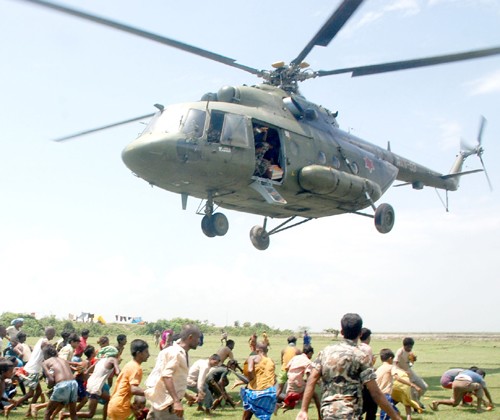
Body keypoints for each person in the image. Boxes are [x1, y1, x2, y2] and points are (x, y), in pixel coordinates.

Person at [295, 313, 402, 420]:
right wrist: (396, 417)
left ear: (341, 332)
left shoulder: (325, 352)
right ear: (360, 333)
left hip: (328, 413)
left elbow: (312, 379)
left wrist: (304, 410)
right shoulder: (361, 356)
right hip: (350, 413)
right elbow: (375, 393)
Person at [144, 324, 201, 419]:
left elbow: (175, 380)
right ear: (190, 337)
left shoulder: (180, 352)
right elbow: (166, 376)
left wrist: (186, 395)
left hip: (161, 401)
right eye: (198, 338)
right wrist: (176, 401)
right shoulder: (176, 353)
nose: (199, 341)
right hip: (167, 405)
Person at [60, 345, 120, 419]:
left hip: (92, 384)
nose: (118, 356)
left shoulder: (100, 360)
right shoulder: (113, 359)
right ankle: (65, 414)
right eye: (118, 354)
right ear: (114, 354)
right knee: (90, 414)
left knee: (109, 399)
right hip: (95, 387)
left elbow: (86, 372)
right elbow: (118, 372)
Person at [12, 326, 56, 413]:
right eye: (53, 334)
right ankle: (10, 406)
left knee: (38, 392)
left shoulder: (41, 340)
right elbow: (47, 356)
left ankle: (29, 412)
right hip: (33, 370)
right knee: (30, 394)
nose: (54, 335)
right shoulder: (45, 342)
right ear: (50, 333)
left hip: (32, 368)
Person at [107, 339, 150, 420]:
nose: (149, 355)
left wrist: (132, 408)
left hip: (114, 404)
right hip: (121, 407)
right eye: (146, 352)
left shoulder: (129, 364)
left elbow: (124, 389)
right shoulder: (136, 368)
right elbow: (133, 389)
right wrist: (152, 392)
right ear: (139, 353)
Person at [280, 345, 320, 417]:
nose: (311, 357)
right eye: (311, 355)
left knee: (292, 403)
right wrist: (317, 382)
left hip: (290, 383)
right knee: (315, 396)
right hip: (297, 384)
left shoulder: (295, 358)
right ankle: (320, 416)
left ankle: (279, 405)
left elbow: (287, 368)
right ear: (310, 353)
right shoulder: (307, 361)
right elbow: (309, 377)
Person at [41, 344, 79, 420]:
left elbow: (51, 380)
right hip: (73, 383)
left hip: (62, 385)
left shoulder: (45, 362)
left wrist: (49, 386)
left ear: (46, 354)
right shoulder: (62, 360)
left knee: (48, 412)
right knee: (73, 413)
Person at [240, 342, 276, 420]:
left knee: (248, 408)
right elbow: (274, 378)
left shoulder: (253, 357)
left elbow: (250, 370)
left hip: (255, 392)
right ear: (267, 350)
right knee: (265, 416)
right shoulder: (271, 361)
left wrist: (251, 379)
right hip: (269, 392)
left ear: (257, 350)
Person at [394, 337, 427, 408]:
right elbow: (395, 365)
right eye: (408, 347)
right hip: (404, 375)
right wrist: (403, 371)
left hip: (410, 372)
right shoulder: (400, 351)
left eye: (411, 347)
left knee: (424, 387)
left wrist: (413, 360)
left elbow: (410, 362)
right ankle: (417, 406)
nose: (410, 349)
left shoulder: (410, 352)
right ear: (404, 345)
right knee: (412, 393)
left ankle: (417, 402)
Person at [359, 327, 377, 420]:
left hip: (358, 380)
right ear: (368, 337)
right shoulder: (367, 348)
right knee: (372, 404)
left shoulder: (357, 347)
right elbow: (368, 367)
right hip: (365, 380)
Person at [375, 349, 399, 420]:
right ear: (390, 358)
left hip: (378, 394)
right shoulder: (391, 367)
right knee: (386, 415)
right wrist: (411, 384)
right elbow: (397, 377)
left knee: (396, 413)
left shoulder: (379, 368)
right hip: (385, 395)